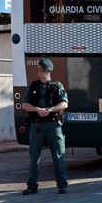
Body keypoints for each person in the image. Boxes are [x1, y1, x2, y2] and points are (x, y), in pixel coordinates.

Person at [21, 58, 69, 195]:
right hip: (36, 125)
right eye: (40, 71)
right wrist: (37, 109)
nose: (42, 74)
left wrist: (50, 109)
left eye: (44, 71)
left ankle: (62, 184)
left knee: (58, 154)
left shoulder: (57, 85)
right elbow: (24, 104)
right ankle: (31, 186)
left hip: (53, 125)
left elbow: (64, 104)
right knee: (34, 156)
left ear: (49, 72)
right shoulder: (33, 86)